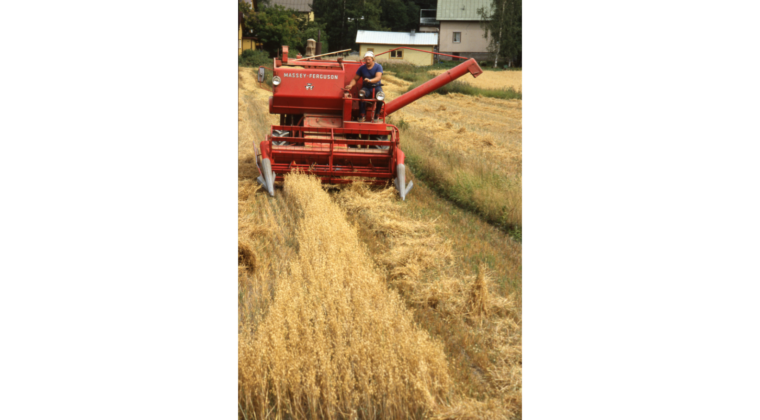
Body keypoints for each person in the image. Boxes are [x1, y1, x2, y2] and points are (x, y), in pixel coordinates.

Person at [345, 51, 384, 122]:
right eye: (366, 59)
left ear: (373, 59)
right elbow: (355, 79)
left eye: (369, 59)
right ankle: (362, 115)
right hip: (367, 88)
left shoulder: (378, 66)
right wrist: (350, 85)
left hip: (377, 87)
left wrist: (370, 80)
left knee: (380, 96)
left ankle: (377, 115)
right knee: (361, 94)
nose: (367, 61)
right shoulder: (361, 68)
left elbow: (378, 78)